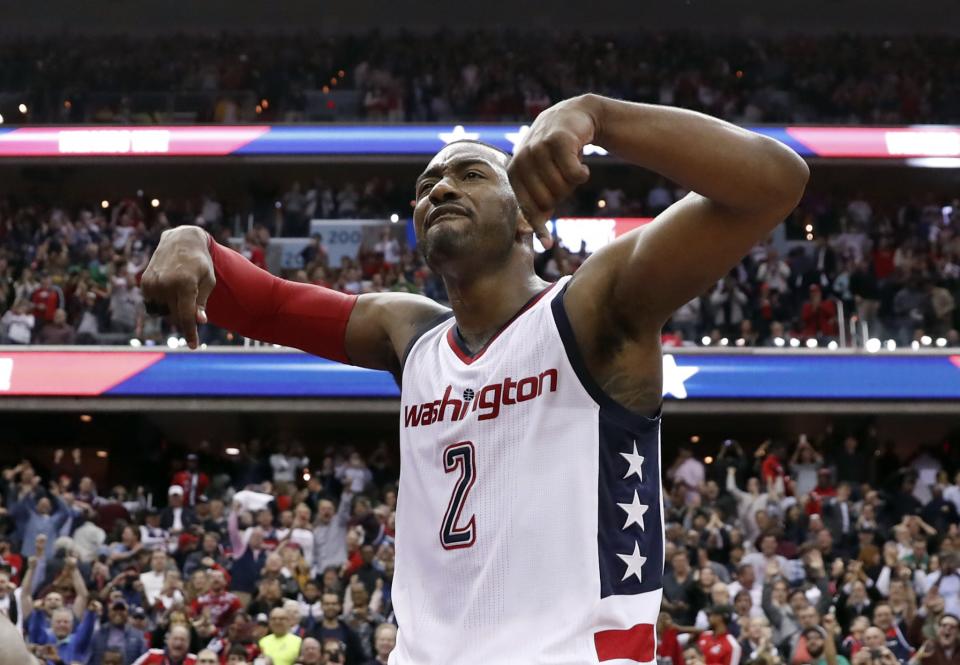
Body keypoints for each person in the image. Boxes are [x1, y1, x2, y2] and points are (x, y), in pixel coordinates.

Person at [142, 92, 808, 664]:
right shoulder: (412, 334)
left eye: (468, 173)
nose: (440, 188)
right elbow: (266, 303)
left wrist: (597, 114)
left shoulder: (593, 305)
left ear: (524, 214)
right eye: (427, 185)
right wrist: (189, 239)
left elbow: (775, 181)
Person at [89, 599, 148, 665]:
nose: (118, 612)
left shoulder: (138, 636)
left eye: (122, 609)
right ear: (109, 613)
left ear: (127, 613)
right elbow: (90, 659)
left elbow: (144, 660)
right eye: (115, 609)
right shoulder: (98, 634)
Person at [132, 624, 197, 664]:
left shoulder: (196, 661)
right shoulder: (152, 655)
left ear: (188, 643)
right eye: (175, 638)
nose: (178, 643)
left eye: (182, 640)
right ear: (167, 640)